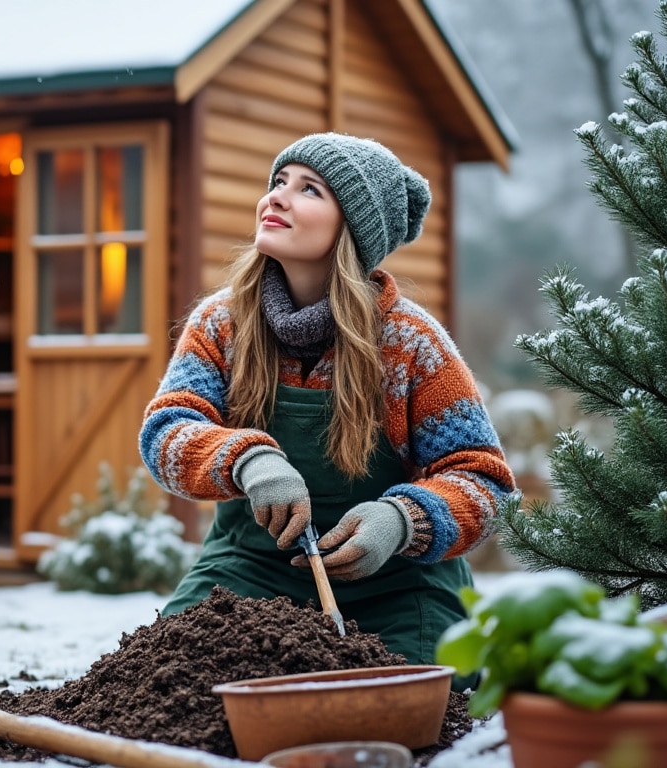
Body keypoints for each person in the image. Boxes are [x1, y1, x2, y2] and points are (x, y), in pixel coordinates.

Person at [138, 133, 515, 682]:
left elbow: (484, 482)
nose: (276, 197)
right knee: (167, 680)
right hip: (250, 571)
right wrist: (246, 459)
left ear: (352, 229)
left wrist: (402, 521)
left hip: (397, 586)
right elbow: (167, 429)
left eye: (309, 189)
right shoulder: (223, 324)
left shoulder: (411, 343)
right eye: (278, 182)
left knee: (407, 697)